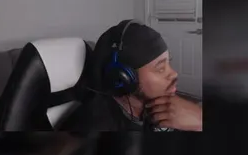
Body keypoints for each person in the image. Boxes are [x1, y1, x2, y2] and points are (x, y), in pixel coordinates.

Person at [69, 20, 202, 132]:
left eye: (169, 62)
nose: (174, 74)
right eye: (161, 68)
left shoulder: (166, 105)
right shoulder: (93, 125)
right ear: (123, 78)